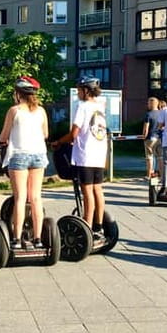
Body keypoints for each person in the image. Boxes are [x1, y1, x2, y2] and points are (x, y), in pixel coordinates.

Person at [0, 76, 49, 249]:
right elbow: (46, 134)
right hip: (38, 155)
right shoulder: (41, 111)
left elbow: (4, 136)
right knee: (35, 197)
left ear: (18, 93)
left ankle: (17, 239)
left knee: (20, 198)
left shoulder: (14, 111)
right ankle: (38, 238)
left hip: (19, 155)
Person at [51, 76, 108, 231]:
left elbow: (74, 133)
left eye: (79, 90)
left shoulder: (82, 106)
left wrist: (59, 142)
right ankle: (99, 225)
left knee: (87, 190)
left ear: (86, 90)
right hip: (99, 154)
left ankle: (87, 226)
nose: (77, 93)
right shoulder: (100, 106)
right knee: (98, 189)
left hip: (85, 155)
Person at [142, 97, 162, 179]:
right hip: (159, 138)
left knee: (149, 157)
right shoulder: (161, 113)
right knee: (160, 157)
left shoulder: (148, 114)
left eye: (148, 103)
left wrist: (144, 136)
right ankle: (161, 174)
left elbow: (146, 127)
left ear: (151, 104)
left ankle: (149, 174)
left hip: (150, 138)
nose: (148, 105)